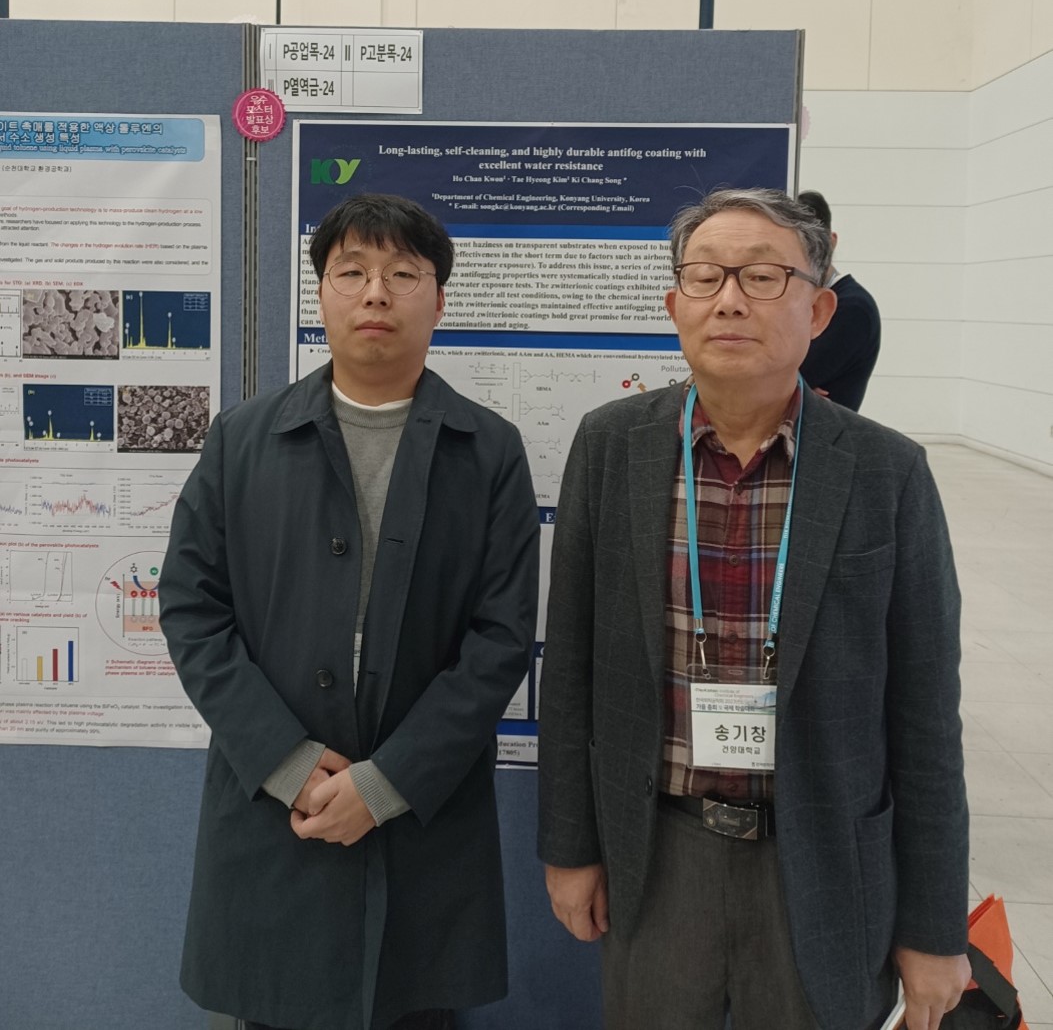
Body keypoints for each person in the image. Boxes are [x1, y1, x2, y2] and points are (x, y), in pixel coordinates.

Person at [537, 187, 968, 1030]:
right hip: (658, 851)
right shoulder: (610, 445)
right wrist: (569, 846)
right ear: (675, 306)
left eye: (763, 276)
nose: (729, 298)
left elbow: (924, 714)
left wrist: (932, 925)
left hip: (823, 858)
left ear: (819, 309)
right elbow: (573, 668)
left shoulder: (887, 472)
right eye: (705, 275)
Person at [160, 193, 539, 1030]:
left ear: (438, 301)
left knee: (411, 1006)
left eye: (403, 274)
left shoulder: (489, 450)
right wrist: (286, 761)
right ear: (321, 293)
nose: (375, 292)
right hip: (275, 813)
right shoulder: (242, 440)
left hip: (422, 817)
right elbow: (191, 608)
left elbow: (501, 637)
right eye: (352, 271)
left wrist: (386, 781)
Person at [797, 189, 881, 411]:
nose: (804, 256)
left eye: (812, 244)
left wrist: (790, 390)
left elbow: (773, 383)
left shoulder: (853, 308)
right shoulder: (796, 300)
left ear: (831, 241)